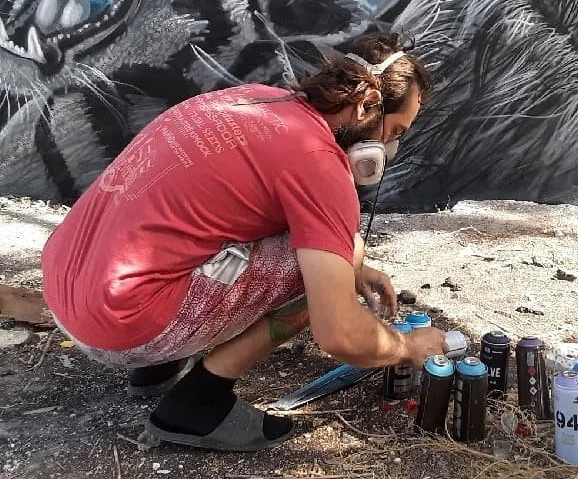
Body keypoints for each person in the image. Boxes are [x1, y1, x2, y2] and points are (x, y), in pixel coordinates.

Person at [40, 33, 448, 452]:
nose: (387, 148)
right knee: (334, 267)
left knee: (332, 251)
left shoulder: (256, 99)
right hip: (121, 326)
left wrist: (355, 267)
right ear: (365, 106)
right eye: (392, 130)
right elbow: (340, 334)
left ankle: (157, 368)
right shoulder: (318, 162)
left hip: (66, 291)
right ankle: (200, 401)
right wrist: (405, 346)